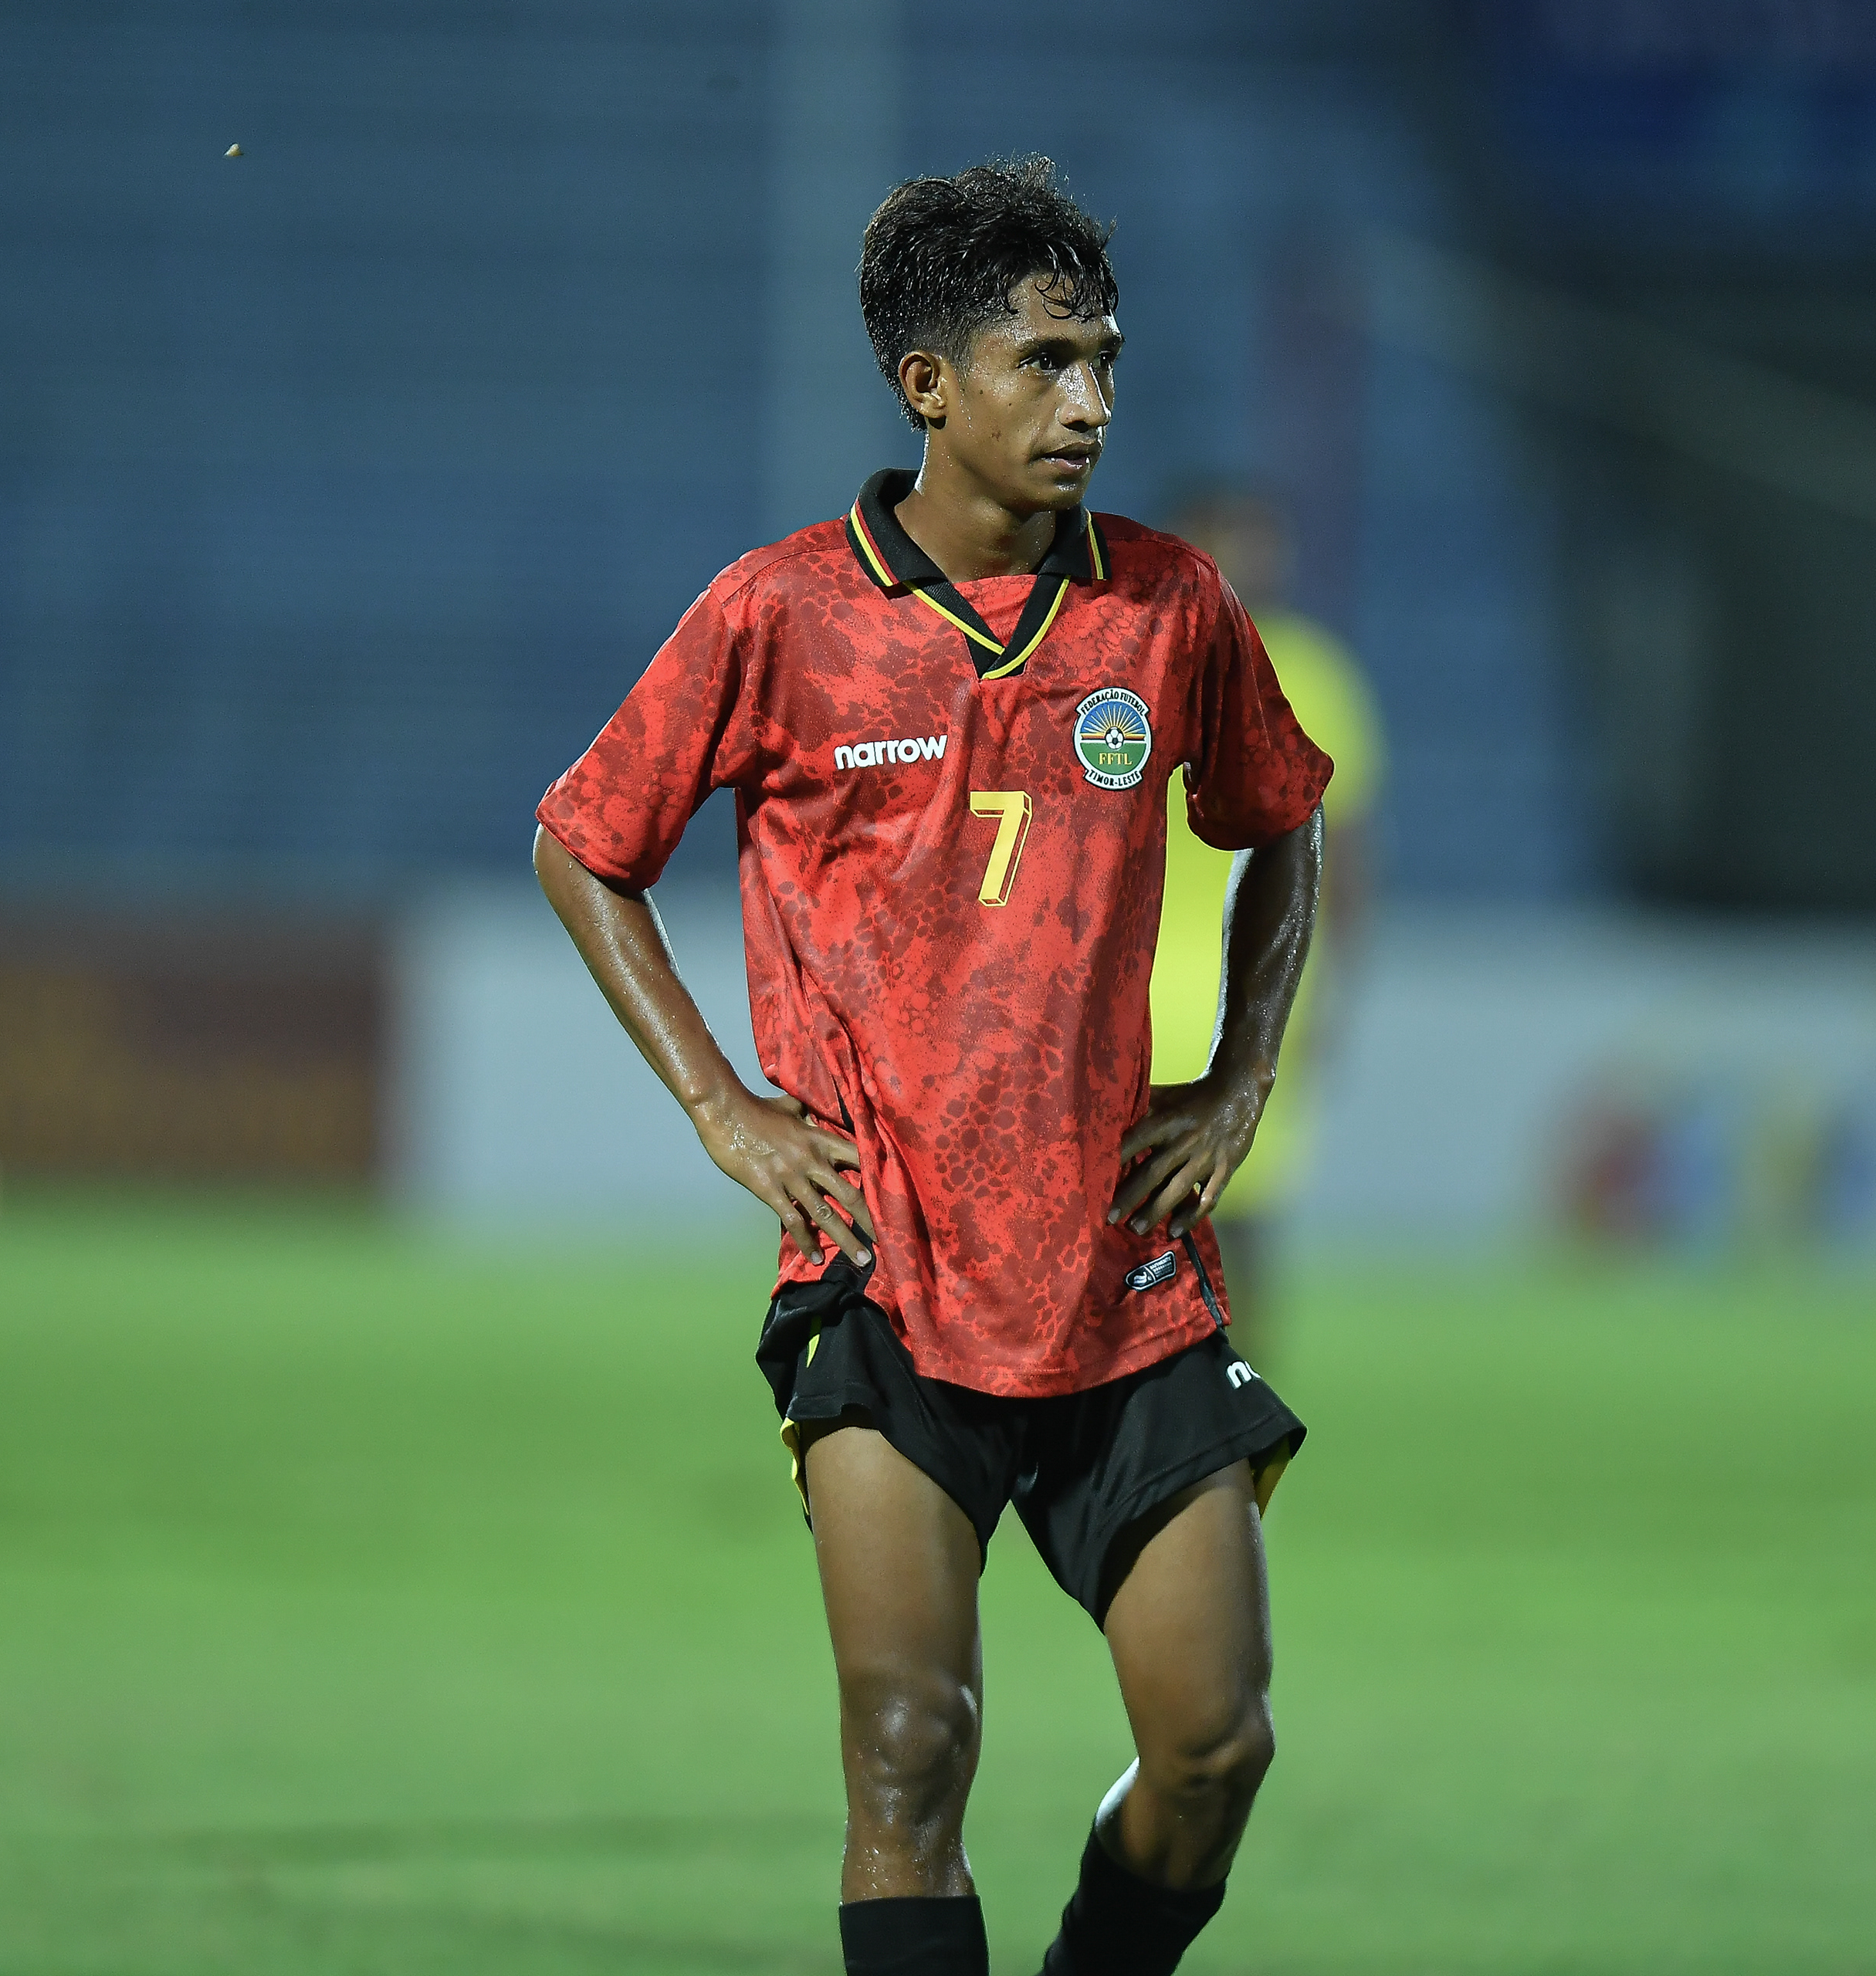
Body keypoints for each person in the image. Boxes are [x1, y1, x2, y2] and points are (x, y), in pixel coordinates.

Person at [537, 159, 1333, 1976]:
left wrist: (1238, 1077)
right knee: (910, 1743)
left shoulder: (1170, 609)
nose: (1089, 399)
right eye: (1044, 361)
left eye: (1104, 358)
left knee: (1215, 1743)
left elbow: (1281, 815)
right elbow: (584, 843)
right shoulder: (780, 612)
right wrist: (722, 1107)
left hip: (1117, 1267)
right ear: (926, 384)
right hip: (883, 1263)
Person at [1147, 488, 1381, 1355]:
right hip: (1128, 981)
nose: (1246, 564)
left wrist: (1335, 988)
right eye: (1224, 543)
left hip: (1254, 983)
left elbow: (1343, 856)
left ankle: (1233, 1391)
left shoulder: (1312, 673)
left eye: (1259, 546)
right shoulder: (1125, 653)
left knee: (1238, 1211)